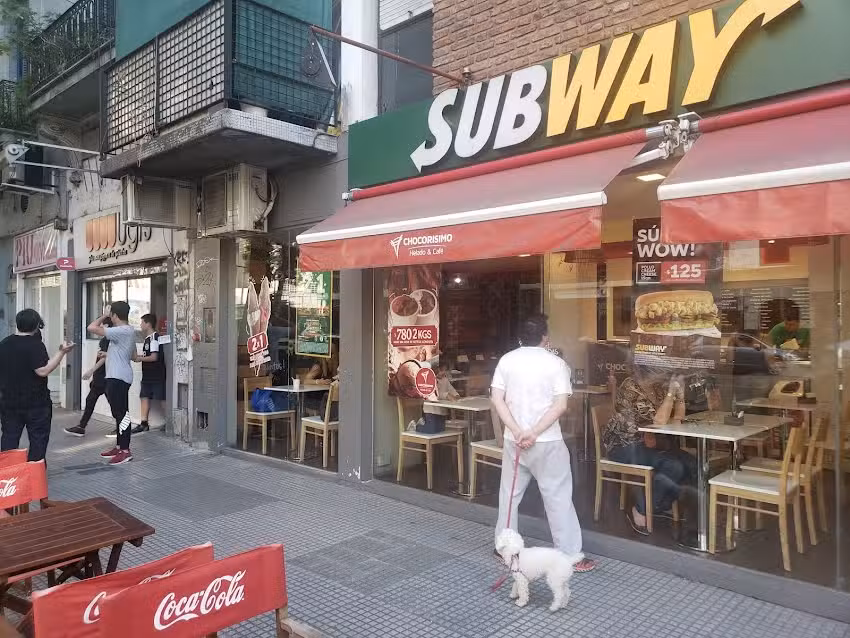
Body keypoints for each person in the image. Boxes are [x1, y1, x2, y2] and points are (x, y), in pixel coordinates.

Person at [491, 314, 596, 573]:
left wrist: (517, 431)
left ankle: (503, 548)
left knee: (509, 494)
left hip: (514, 441)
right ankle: (571, 555)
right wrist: (534, 432)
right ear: (544, 337)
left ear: (519, 338)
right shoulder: (556, 364)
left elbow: (497, 399)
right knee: (558, 496)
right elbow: (560, 405)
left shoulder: (506, 360)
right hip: (547, 441)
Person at [602, 366, 707, 535]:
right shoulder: (630, 387)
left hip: (653, 443)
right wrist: (671, 393)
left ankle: (660, 505)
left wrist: (679, 396)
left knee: (692, 464)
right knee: (674, 466)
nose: (664, 373)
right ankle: (640, 509)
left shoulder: (657, 388)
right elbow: (659, 421)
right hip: (625, 446)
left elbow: (676, 420)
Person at [0, 309, 74, 461]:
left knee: (9, 437)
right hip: (35, 403)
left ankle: (8, 473)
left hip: (9, 401)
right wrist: (62, 353)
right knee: (38, 440)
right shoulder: (35, 345)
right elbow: (43, 371)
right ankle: (34, 474)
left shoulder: (4, 343)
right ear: (36, 325)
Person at [88, 302, 136, 465]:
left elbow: (92, 328)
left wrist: (104, 315)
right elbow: (133, 355)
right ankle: (119, 446)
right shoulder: (128, 331)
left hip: (118, 378)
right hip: (118, 376)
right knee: (119, 414)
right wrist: (110, 354)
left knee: (123, 415)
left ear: (114, 315)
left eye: (111, 315)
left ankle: (125, 450)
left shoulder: (121, 330)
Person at [64, 318, 112, 437]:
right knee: (90, 401)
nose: (100, 329)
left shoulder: (108, 340)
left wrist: (91, 371)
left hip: (107, 377)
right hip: (100, 377)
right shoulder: (104, 340)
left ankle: (122, 428)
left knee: (115, 405)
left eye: (102, 326)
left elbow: (104, 359)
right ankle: (81, 427)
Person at [131, 313, 166, 434]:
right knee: (144, 396)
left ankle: (170, 423)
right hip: (147, 375)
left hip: (156, 375)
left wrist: (140, 359)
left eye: (142, 323)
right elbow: (148, 355)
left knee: (162, 399)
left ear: (148, 324)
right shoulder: (147, 338)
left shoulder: (154, 338)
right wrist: (139, 357)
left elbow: (154, 357)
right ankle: (144, 423)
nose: (140, 325)